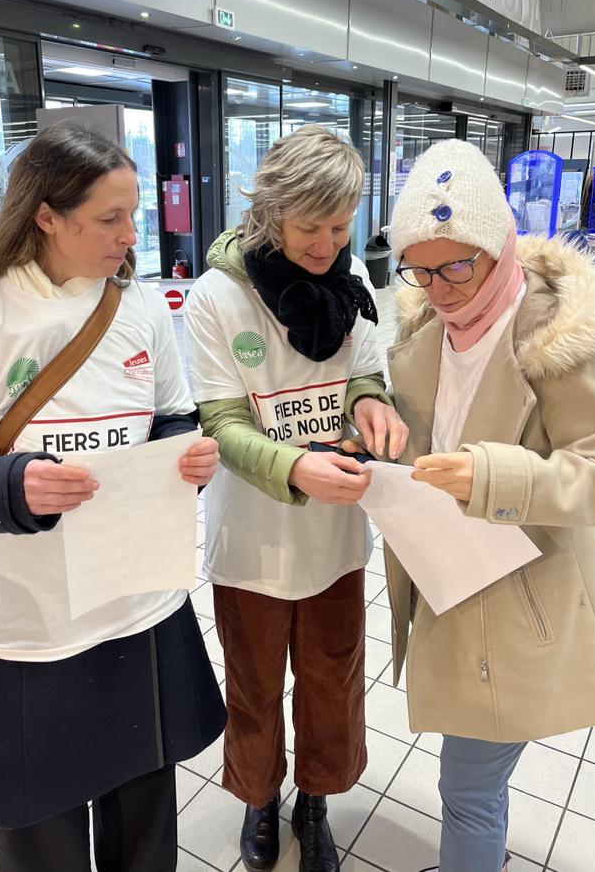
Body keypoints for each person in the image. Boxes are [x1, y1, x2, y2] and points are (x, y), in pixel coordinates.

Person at [0, 121, 227, 872]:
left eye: (134, 217)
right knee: (40, 820)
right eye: (109, 218)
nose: (129, 236)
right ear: (46, 215)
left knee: (143, 815)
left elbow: (173, 414)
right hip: (32, 615)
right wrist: (13, 483)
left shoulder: (143, 308)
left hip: (137, 602)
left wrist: (187, 452)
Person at [383, 139, 595, 872]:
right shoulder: (424, 325)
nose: (441, 287)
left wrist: (494, 477)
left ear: (498, 245)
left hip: (520, 592)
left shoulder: (555, 337)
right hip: (446, 579)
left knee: (467, 789)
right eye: (419, 268)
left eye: (457, 265)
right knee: (468, 781)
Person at [184, 124, 408, 872]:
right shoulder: (218, 297)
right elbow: (220, 420)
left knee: (332, 678)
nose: (325, 244)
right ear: (270, 214)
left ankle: (315, 800)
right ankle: (259, 799)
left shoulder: (352, 285)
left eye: (340, 226)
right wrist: (292, 470)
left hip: (336, 539)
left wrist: (374, 403)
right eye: (309, 227)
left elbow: (364, 374)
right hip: (249, 538)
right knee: (253, 683)